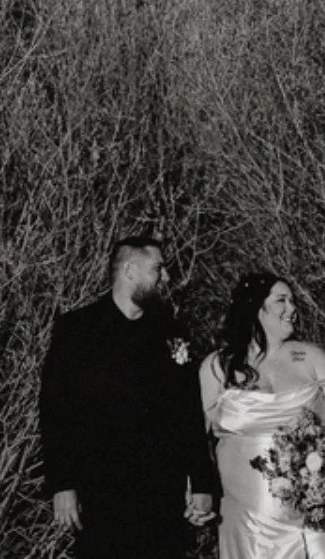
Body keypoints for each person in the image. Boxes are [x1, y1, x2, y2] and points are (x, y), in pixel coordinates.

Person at [39, 236, 217, 558]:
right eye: (158, 269)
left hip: (162, 490)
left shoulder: (171, 332)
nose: (166, 278)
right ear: (130, 270)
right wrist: (61, 483)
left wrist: (202, 482)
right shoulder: (77, 329)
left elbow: (188, 413)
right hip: (100, 491)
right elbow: (55, 410)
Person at [199, 272, 325, 559]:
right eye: (281, 300)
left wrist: (322, 482)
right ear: (255, 308)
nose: (292, 309)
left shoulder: (313, 359)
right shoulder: (217, 367)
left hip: (311, 513)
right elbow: (198, 440)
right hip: (246, 517)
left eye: (293, 301)